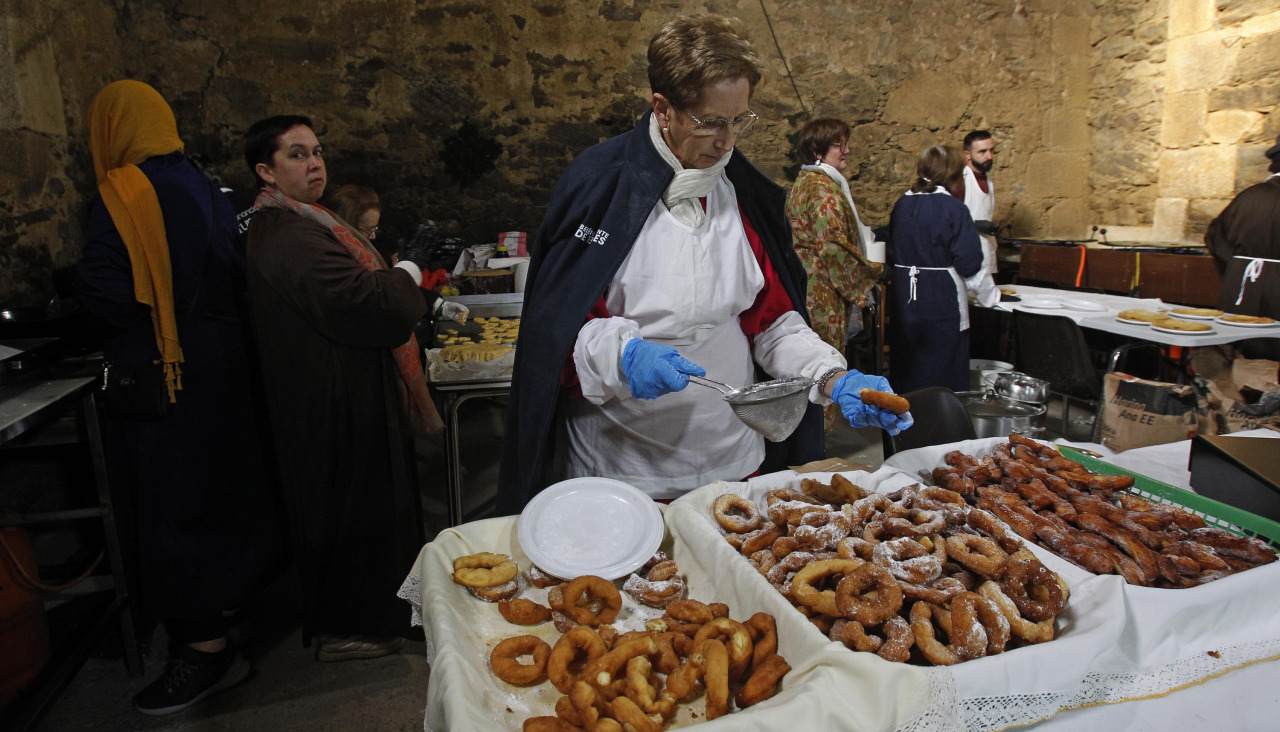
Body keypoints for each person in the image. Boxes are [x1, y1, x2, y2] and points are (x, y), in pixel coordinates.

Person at [498, 15, 911, 512]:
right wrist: (623, 356)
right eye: (711, 121)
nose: (727, 140)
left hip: (732, 465)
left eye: (740, 120)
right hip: (620, 471)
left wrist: (831, 375)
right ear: (663, 109)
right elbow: (558, 329)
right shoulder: (599, 186)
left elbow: (772, 323)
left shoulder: (743, 198)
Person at [73, 80, 282, 714]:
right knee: (222, 495)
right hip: (224, 365)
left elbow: (107, 287)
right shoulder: (208, 188)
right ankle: (232, 618)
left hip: (165, 374)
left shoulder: (123, 193)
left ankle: (202, 652)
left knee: (172, 507)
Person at [240, 115, 459, 661]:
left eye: (316, 152)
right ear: (266, 171)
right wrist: (408, 264)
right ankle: (355, 627)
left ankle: (383, 614)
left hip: (343, 387)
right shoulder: (289, 234)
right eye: (296, 154)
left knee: (371, 510)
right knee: (354, 513)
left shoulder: (306, 222)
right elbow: (372, 305)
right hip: (330, 399)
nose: (313, 163)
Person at [786, 117, 884, 432]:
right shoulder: (820, 187)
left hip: (810, 282)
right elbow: (832, 247)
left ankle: (809, 436)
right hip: (820, 291)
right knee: (824, 362)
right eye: (839, 144)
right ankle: (816, 439)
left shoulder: (807, 182)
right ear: (818, 148)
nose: (847, 150)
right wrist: (873, 273)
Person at [887, 145, 999, 394]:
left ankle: (905, 423)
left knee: (908, 363)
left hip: (905, 297)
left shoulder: (901, 205)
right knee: (942, 368)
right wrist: (992, 298)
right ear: (955, 177)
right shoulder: (955, 210)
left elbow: (893, 250)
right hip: (941, 299)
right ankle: (944, 426)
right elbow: (970, 264)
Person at [1205, 135, 1280, 359]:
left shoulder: (1248, 196)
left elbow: (1214, 238)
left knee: (1240, 354)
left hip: (1242, 287)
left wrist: (1238, 267)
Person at [325, 184, 396, 262]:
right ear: (348, 228)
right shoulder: (339, 261)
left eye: (375, 228)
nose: (373, 236)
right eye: (369, 230)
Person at [962, 130, 999, 276]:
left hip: (987, 249)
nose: (989, 156)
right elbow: (946, 220)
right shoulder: (961, 180)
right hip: (968, 253)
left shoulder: (987, 177)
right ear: (968, 155)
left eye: (992, 150)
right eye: (982, 152)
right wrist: (975, 224)